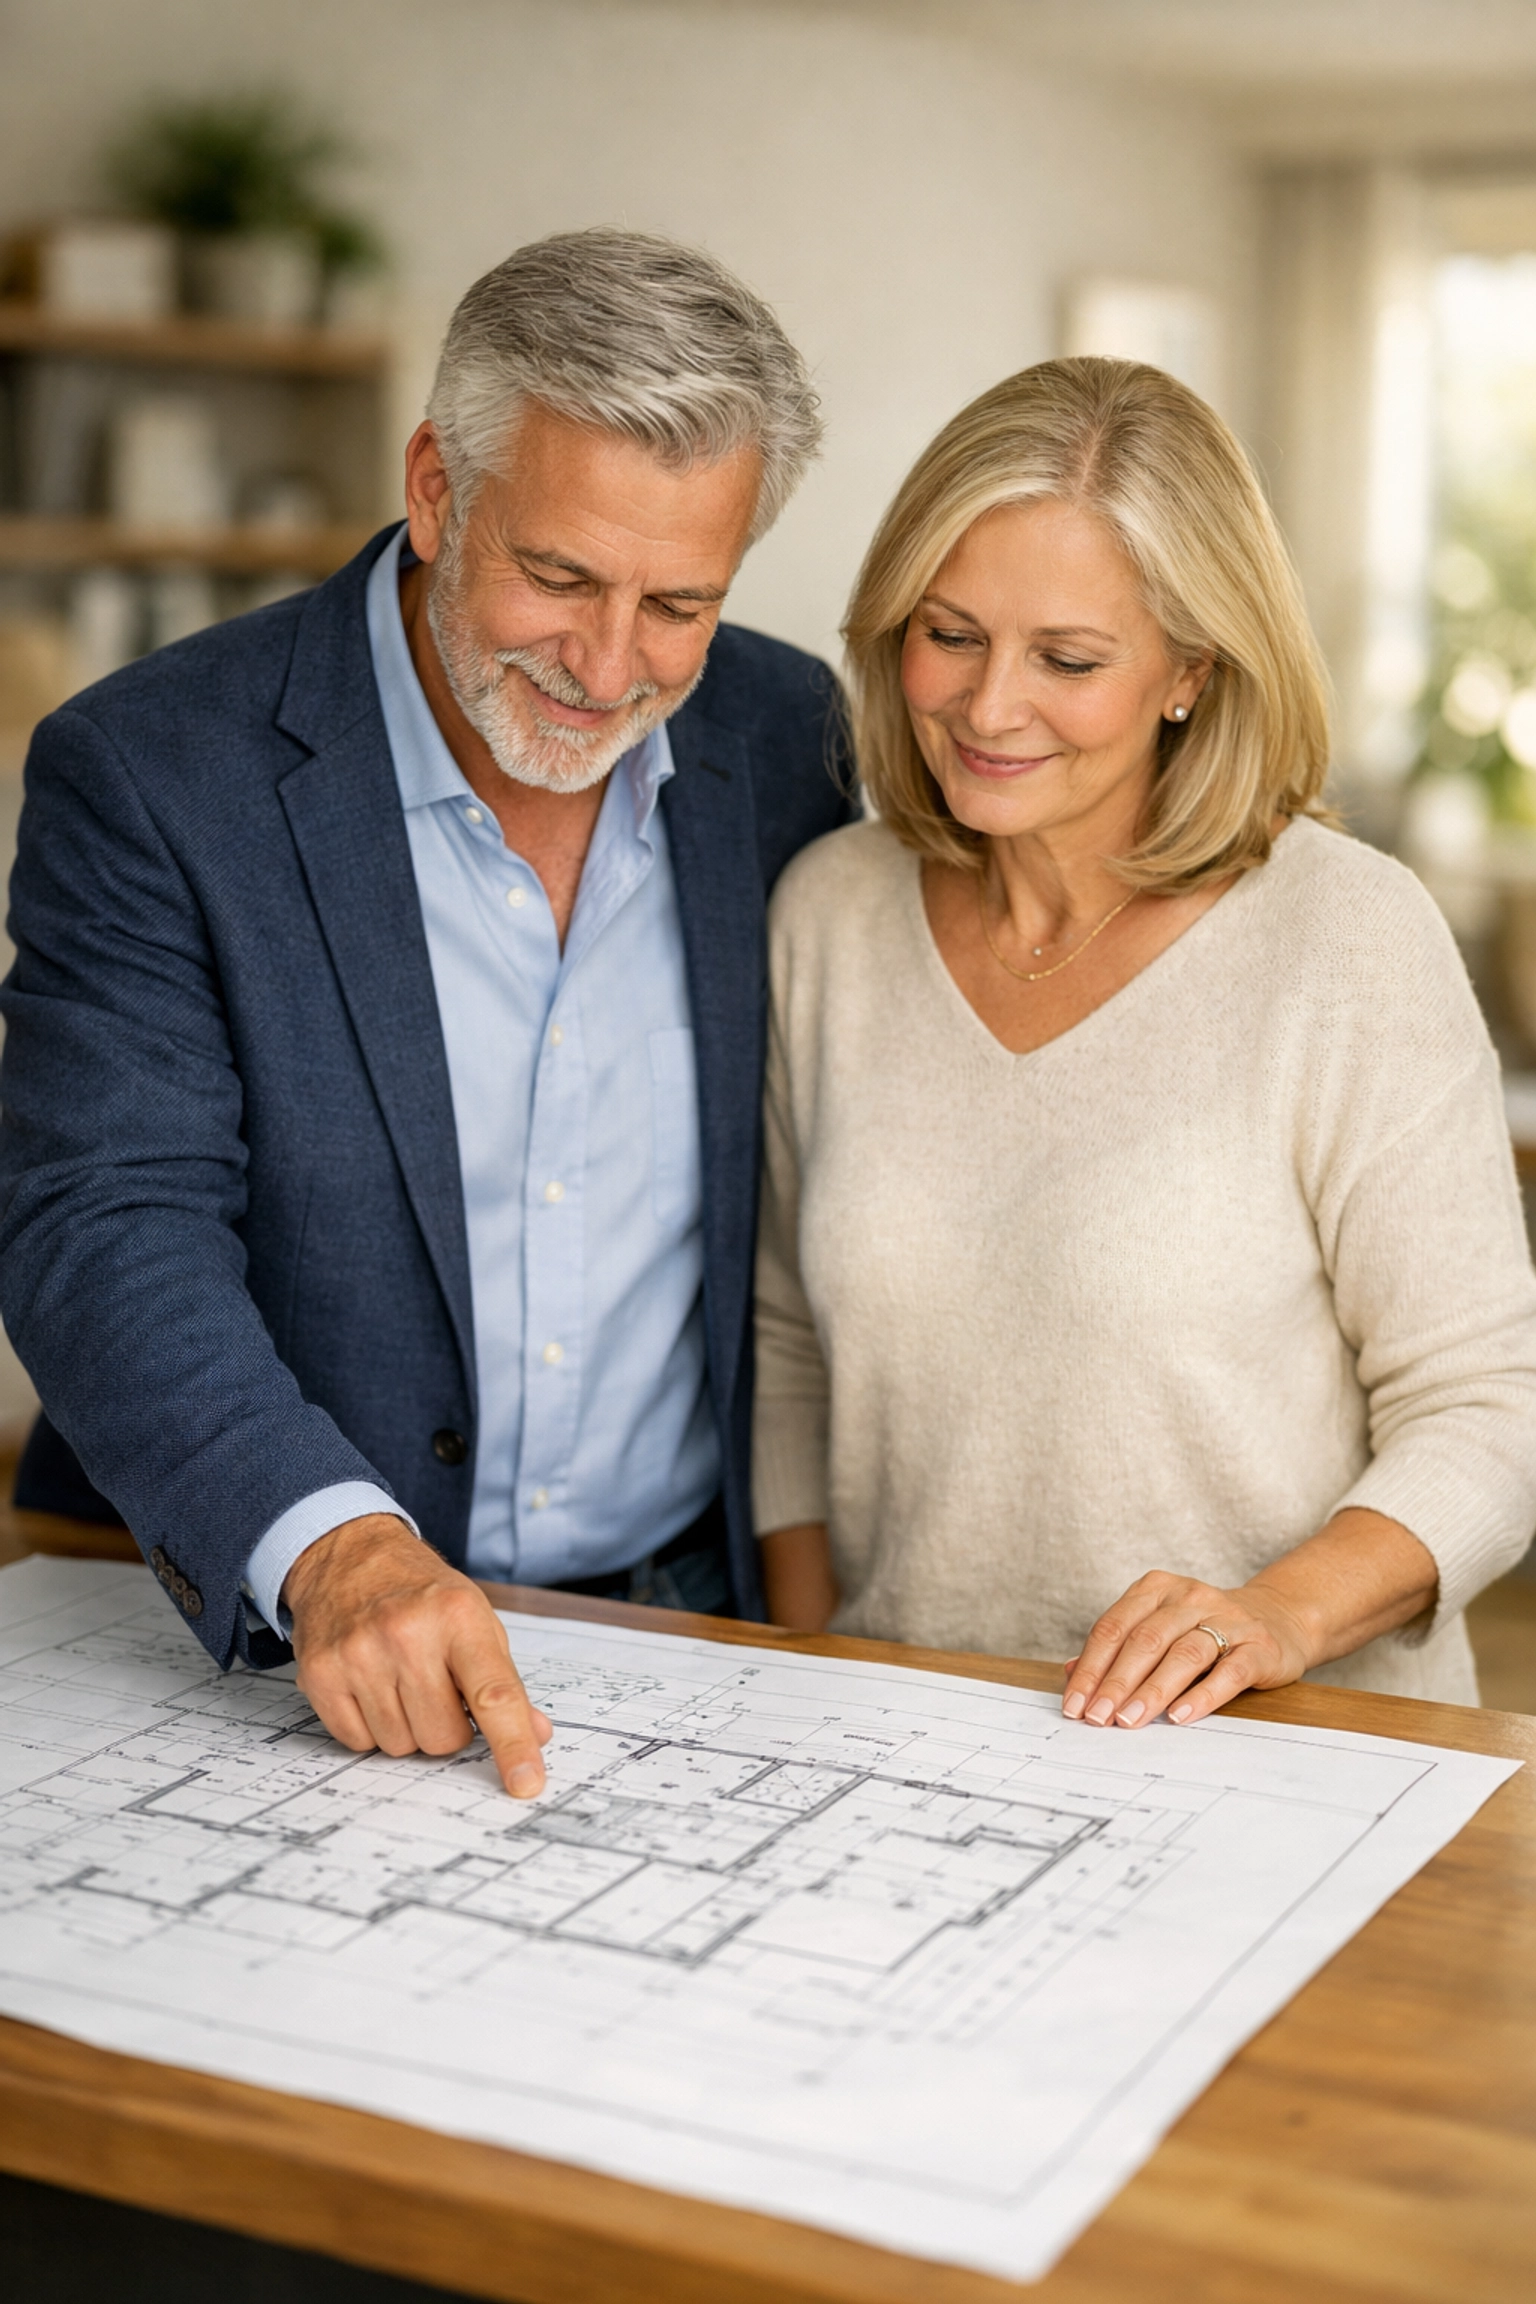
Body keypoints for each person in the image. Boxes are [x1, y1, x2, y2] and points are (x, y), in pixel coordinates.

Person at [0, 228, 851, 1797]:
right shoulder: (152, 773)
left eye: (680, 602)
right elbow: (101, 1217)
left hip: (690, 1620)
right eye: (559, 577)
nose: (609, 667)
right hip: (260, 1624)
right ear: (437, 489)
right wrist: (333, 1548)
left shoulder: (791, 737)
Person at [753, 355, 1536, 1722]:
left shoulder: (1347, 937)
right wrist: (826, 1676)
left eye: (1068, 659)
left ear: (1190, 668)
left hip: (1292, 1756)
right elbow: (789, 1351)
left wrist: (1269, 1620)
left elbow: (1492, 1414)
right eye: (949, 634)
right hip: (909, 1746)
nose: (990, 709)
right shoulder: (831, 914)